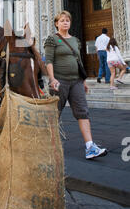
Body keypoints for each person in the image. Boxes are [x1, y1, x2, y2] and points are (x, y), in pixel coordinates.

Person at [44, 10, 107, 160]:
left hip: (76, 81)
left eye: (67, 20)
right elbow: (49, 61)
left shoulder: (75, 41)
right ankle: (46, 146)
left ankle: (90, 147)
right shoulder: (52, 40)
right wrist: (52, 79)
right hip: (60, 81)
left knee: (82, 112)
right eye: (62, 20)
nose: (65, 22)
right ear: (56, 23)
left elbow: (78, 61)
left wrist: (83, 80)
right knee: (54, 114)